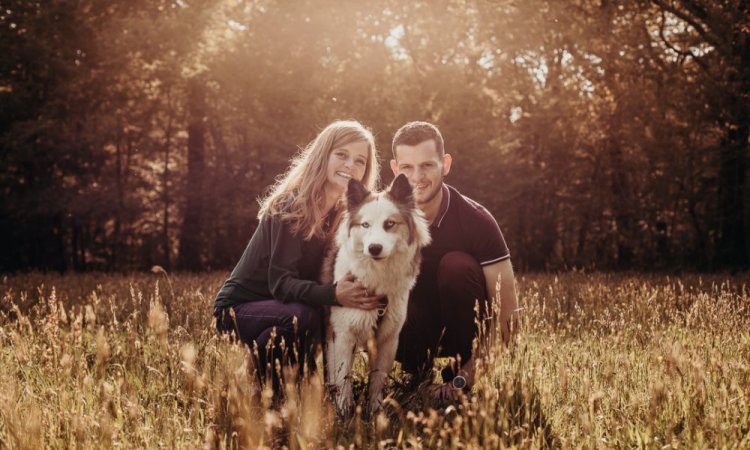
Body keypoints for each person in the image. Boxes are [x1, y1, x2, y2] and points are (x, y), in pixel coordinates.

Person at [213, 120, 383, 392]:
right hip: (239, 309)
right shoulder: (291, 206)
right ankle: (250, 377)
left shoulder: (346, 216)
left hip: (286, 309)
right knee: (301, 317)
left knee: (309, 320)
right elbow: (281, 284)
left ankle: (293, 384)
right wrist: (334, 294)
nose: (350, 165)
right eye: (341, 155)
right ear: (323, 155)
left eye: (359, 161)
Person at [389, 121, 519, 400]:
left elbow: (509, 319)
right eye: (407, 168)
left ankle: (457, 376)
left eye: (427, 165)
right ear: (394, 170)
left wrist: (462, 383)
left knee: (456, 265)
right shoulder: (380, 219)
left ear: (445, 164)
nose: (417, 177)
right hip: (408, 329)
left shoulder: (477, 221)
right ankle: (414, 375)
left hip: (462, 331)